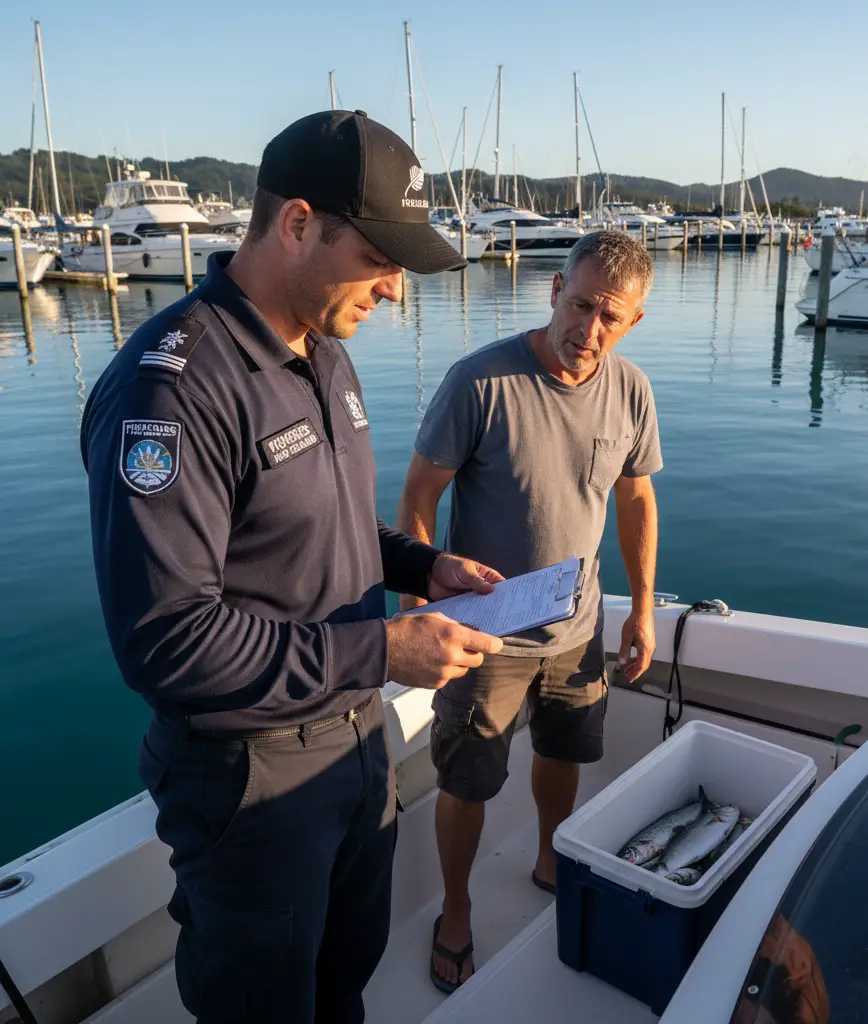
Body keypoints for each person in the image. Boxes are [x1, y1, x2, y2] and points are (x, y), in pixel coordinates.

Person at [80, 110, 505, 1024]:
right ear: (298, 224)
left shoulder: (325, 352)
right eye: (380, 259)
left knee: (343, 979)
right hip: (252, 780)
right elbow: (166, 640)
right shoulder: (172, 391)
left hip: (355, 746)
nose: (393, 290)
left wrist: (426, 566)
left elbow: (330, 524)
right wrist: (383, 651)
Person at [396, 230, 662, 992]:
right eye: (580, 306)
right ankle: (455, 909)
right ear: (554, 290)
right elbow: (419, 495)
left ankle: (550, 854)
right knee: (467, 781)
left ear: (634, 321)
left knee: (564, 750)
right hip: (483, 632)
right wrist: (418, 606)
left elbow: (636, 499)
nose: (589, 329)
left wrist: (642, 609)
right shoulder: (480, 382)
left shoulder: (631, 390)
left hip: (577, 629)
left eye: (610, 317)